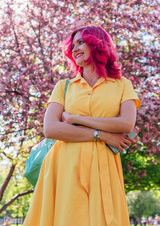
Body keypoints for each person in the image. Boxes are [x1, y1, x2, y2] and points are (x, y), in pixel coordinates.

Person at [23, 25, 141, 226]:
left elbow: (126, 122)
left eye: (81, 42)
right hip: (65, 165)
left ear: (97, 45)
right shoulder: (64, 86)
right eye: (73, 44)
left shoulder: (122, 85)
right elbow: (51, 128)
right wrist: (103, 135)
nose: (75, 48)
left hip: (104, 167)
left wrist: (75, 119)